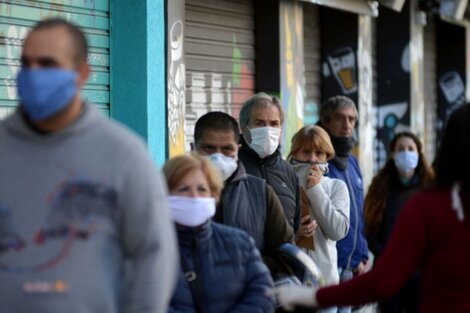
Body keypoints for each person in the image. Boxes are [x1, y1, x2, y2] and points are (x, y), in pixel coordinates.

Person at [0, 19, 178, 312]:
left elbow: (154, 254)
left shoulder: (124, 155)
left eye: (47, 64)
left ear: (81, 73)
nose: (32, 74)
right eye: (25, 63)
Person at [271, 104, 470, 313]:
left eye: (319, 153)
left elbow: (381, 277)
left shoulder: (426, 207)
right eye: (306, 151)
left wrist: (317, 296)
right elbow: (370, 227)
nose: (312, 159)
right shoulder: (425, 206)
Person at [163, 154, 274, 313]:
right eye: (183, 189)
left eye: (202, 189)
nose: (194, 197)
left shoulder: (240, 244)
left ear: (213, 194)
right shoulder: (149, 248)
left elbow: (263, 294)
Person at [193, 111, 295, 273]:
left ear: (238, 150)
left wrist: (243, 265)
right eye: (209, 148)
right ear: (193, 148)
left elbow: (288, 257)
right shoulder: (175, 194)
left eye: (227, 149)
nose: (218, 157)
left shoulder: (261, 194)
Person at [365, 132, 434, 313]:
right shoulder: (380, 188)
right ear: (393, 154)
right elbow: (370, 228)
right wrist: (389, 257)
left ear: (419, 154)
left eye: (410, 149)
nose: (405, 152)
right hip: (389, 272)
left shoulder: (431, 189)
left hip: (422, 275)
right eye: (400, 149)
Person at [317, 96, 368, 313]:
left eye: (351, 119)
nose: (347, 125)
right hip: (330, 267)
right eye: (340, 118)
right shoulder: (319, 161)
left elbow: (359, 215)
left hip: (354, 268)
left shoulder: (353, 163)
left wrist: (364, 257)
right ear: (326, 121)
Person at [238, 92, 312, 238]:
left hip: (280, 260)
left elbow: (294, 227)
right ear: (244, 128)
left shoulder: (288, 172)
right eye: (259, 123)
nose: (267, 129)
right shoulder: (233, 167)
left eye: (274, 124)